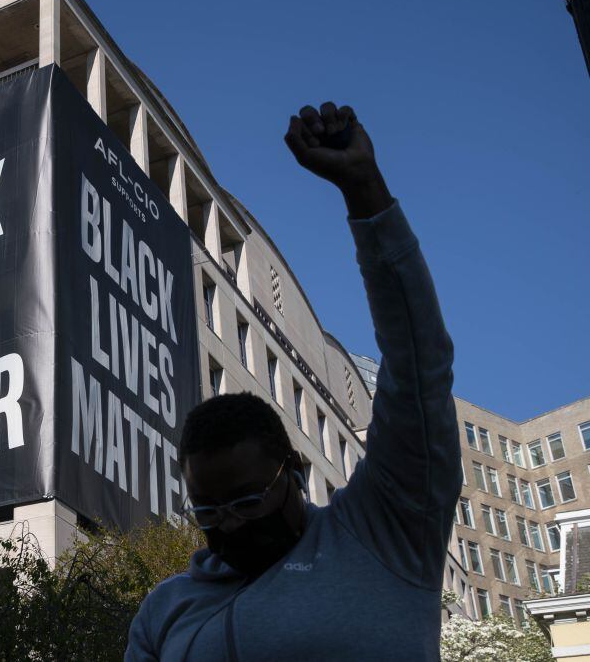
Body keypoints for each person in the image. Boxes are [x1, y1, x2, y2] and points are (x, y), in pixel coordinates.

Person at [125, 102, 460, 660]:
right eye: (207, 510)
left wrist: (365, 192)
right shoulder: (165, 611)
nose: (229, 524)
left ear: (296, 473)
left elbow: (419, 362)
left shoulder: (385, 530)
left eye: (248, 499)